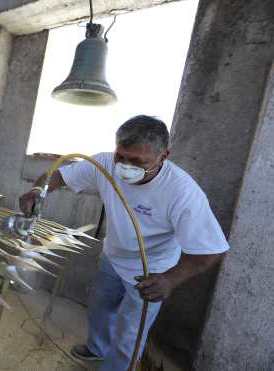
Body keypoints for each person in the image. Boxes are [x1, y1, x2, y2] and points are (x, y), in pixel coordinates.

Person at [19, 115, 229, 370]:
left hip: (151, 272)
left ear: (164, 156)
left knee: (129, 334)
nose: (125, 167)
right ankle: (97, 348)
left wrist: (170, 280)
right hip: (113, 257)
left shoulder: (183, 193)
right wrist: (37, 192)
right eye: (121, 157)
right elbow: (58, 176)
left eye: (138, 161)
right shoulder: (104, 163)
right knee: (99, 309)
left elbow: (212, 250)